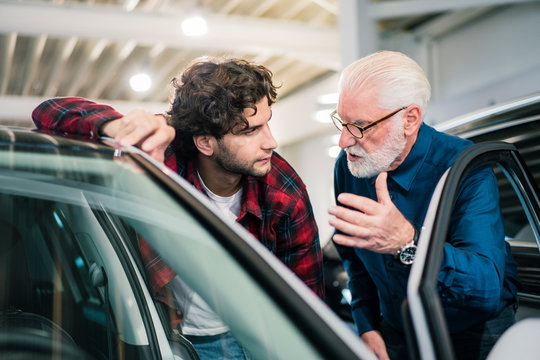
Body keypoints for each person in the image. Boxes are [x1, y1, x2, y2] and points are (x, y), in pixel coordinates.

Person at [32, 56, 323, 359]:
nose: (271, 142)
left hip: (259, 336)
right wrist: (118, 125)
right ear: (205, 143)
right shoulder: (161, 156)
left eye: (267, 123)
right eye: (249, 131)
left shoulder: (284, 193)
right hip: (172, 335)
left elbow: (308, 300)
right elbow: (49, 110)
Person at [327, 51, 520, 360]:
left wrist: (407, 242)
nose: (343, 141)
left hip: (469, 335)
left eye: (360, 126)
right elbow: (354, 259)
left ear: (410, 119)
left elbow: (485, 291)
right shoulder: (349, 166)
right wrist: (366, 325)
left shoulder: (464, 168)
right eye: (341, 121)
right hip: (395, 329)